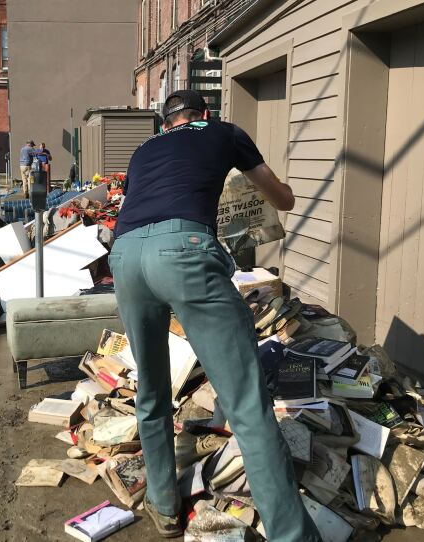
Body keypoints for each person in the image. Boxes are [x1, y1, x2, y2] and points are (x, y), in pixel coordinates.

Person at [109, 90, 322, 541]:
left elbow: (145, 203)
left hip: (126, 256)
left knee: (150, 389)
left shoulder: (144, 149)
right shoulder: (224, 132)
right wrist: (282, 193)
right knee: (245, 403)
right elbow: (280, 198)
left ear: (166, 122)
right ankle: (292, 536)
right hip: (184, 251)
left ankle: (165, 506)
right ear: (204, 113)